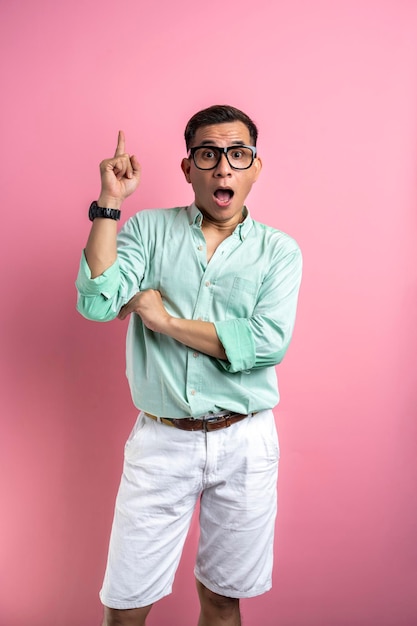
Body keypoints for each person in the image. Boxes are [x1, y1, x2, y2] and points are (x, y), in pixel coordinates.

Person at [76, 104, 302, 626]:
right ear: (189, 168)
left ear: (254, 167)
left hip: (244, 442)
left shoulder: (279, 252)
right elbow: (97, 302)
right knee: (126, 606)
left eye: (237, 154)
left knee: (224, 602)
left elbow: (264, 343)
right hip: (162, 440)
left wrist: (165, 321)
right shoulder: (149, 231)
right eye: (208, 153)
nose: (224, 167)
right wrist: (110, 202)